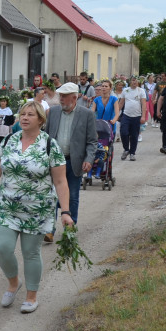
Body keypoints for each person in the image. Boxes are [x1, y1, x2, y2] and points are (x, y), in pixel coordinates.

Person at [0, 101, 75, 313]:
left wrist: (66, 212)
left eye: (30, 115)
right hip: (8, 206)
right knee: (2, 247)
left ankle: (31, 296)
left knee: (30, 252)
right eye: (22, 114)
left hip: (37, 209)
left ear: (41, 120)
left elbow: (60, 182)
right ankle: (14, 283)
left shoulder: (50, 145)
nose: (24, 118)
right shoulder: (9, 140)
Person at [44, 83, 98, 225]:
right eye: (60, 95)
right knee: (52, 195)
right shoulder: (53, 112)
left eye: (64, 96)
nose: (60, 99)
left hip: (75, 161)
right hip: (54, 162)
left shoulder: (87, 115)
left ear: (74, 98)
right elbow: (46, 136)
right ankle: (50, 228)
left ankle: (70, 226)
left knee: (73, 196)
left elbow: (92, 141)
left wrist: (89, 159)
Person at [117, 76, 147, 161]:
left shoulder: (141, 91)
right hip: (126, 115)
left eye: (136, 81)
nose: (134, 82)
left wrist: (143, 116)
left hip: (137, 116)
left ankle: (132, 153)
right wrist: (116, 114)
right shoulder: (125, 90)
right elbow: (121, 103)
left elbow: (144, 104)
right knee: (124, 133)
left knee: (134, 135)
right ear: (130, 82)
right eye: (133, 81)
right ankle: (126, 149)